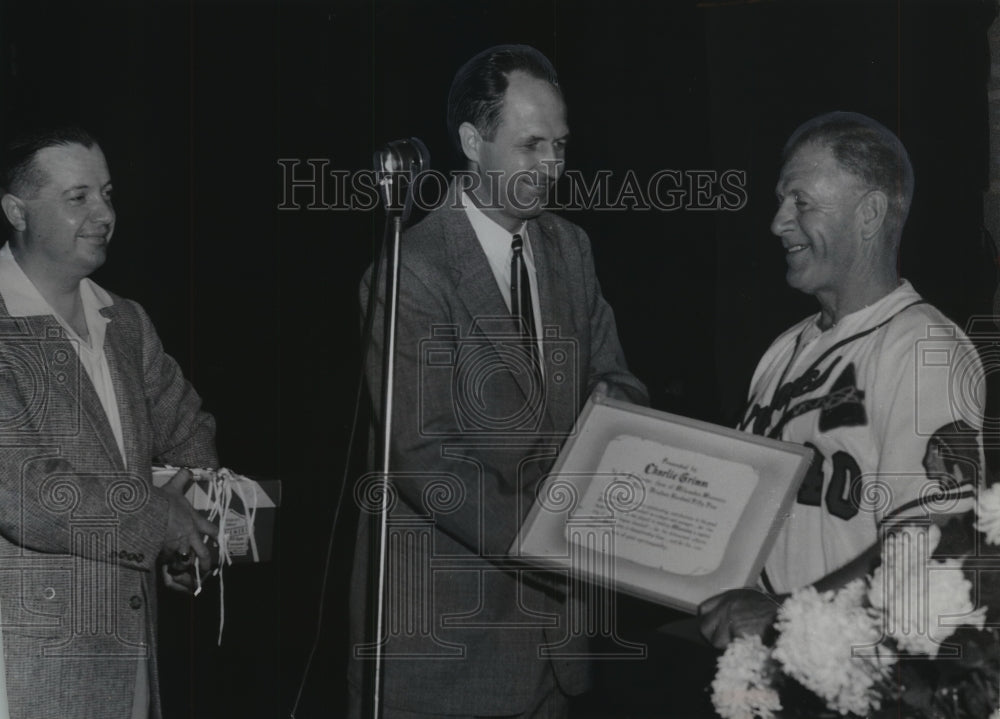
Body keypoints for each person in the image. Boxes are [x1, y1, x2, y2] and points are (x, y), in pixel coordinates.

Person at [350, 45, 648, 718]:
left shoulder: (571, 248)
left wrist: (613, 418)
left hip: (559, 647)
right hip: (453, 649)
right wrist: (558, 543)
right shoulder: (412, 271)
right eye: (531, 144)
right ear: (471, 142)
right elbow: (424, 460)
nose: (552, 166)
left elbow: (620, 378)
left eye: (561, 145)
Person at [699, 111, 984, 648]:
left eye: (800, 201)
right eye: (781, 201)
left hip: (861, 675)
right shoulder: (784, 349)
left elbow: (939, 537)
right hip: (768, 670)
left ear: (870, 213)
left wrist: (786, 614)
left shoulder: (922, 346)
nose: (778, 222)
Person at [0, 125, 219, 718]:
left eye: (108, 193)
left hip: (130, 662)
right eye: (79, 197)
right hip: (29, 669)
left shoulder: (123, 320)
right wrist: (159, 516)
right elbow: (27, 495)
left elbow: (191, 431)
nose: (104, 213)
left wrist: (189, 520)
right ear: (17, 211)